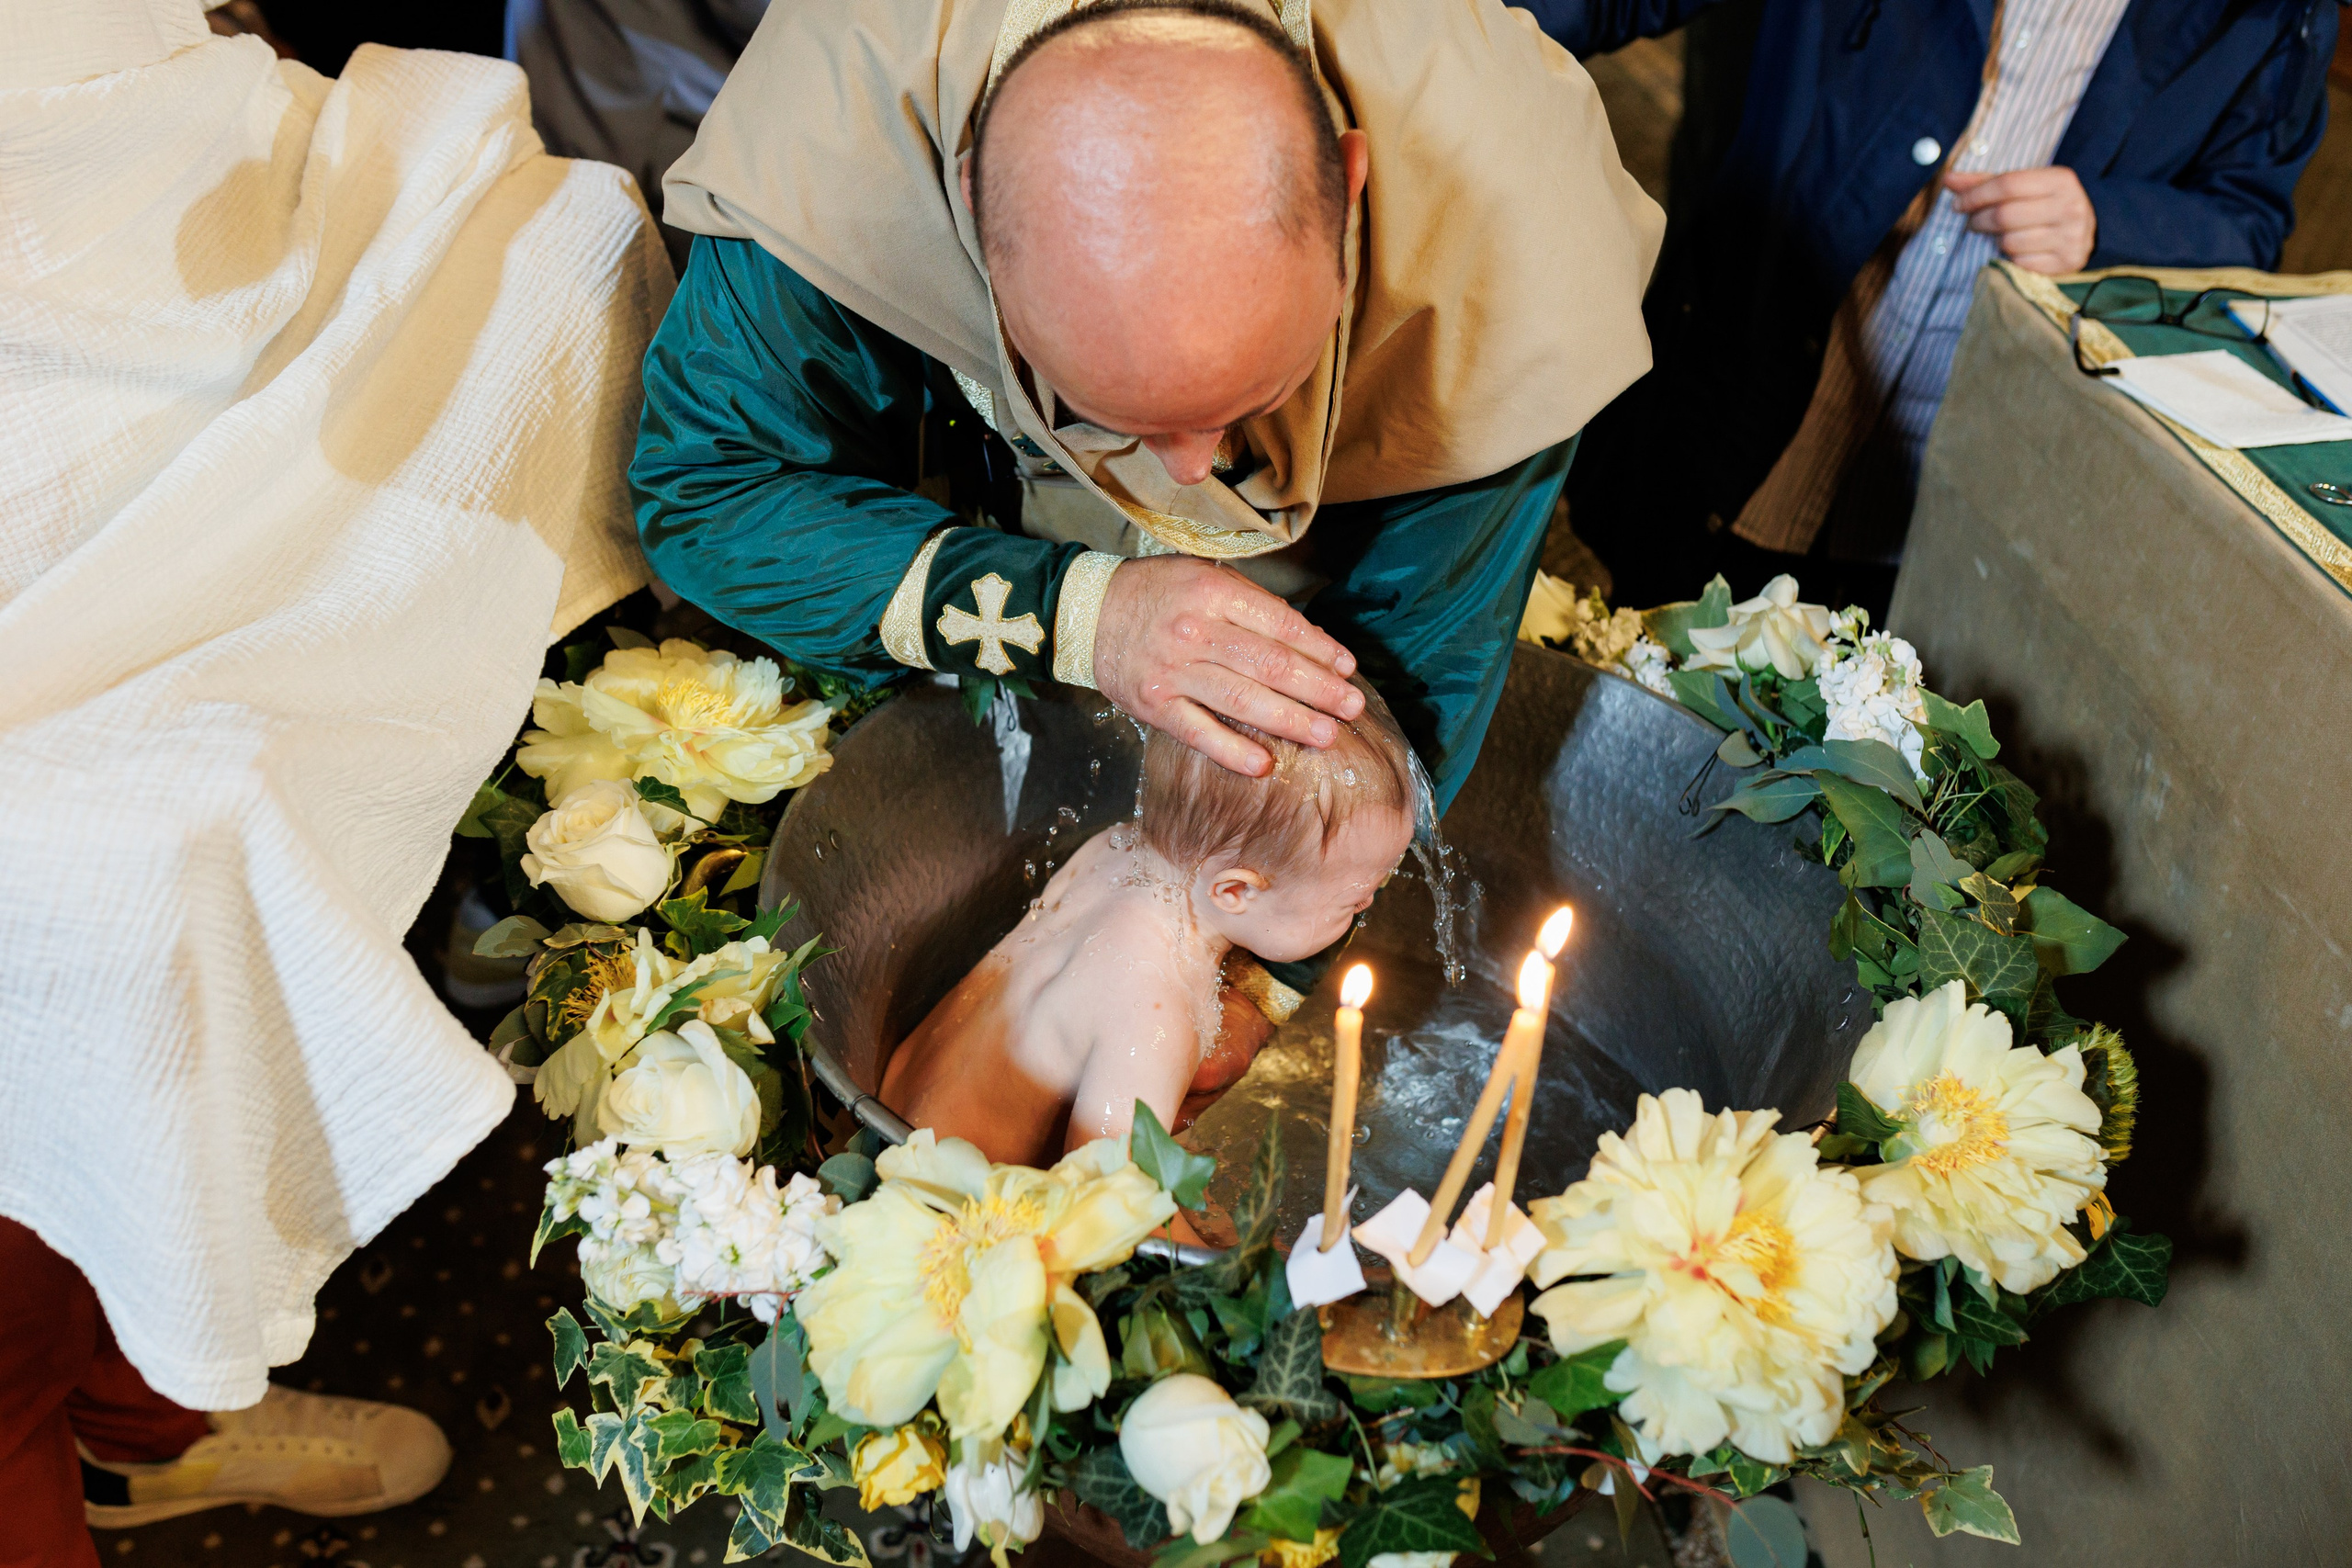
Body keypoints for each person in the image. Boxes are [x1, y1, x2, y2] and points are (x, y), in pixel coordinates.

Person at [630, 0, 1661, 1029]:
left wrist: (1245, 980)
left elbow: (1419, 653)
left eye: (1252, 395)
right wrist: (1081, 616)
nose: (1191, 472)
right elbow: (717, 486)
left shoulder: (1504, 209)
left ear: (1346, 192)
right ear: (968, 203)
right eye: (1101, 407)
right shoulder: (841, 120)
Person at [1527, 0, 2341, 614]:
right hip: (1746, 391)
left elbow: (2249, 217)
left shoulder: (2277, 15)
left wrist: (2107, 221)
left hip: (1967, 486)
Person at [882, 694, 1415, 1165]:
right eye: (1354, 899)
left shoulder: (1113, 849)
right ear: (1235, 892)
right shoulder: (1159, 1016)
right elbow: (1104, 1193)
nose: (1369, 902)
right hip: (949, 1200)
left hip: (888, 1110)